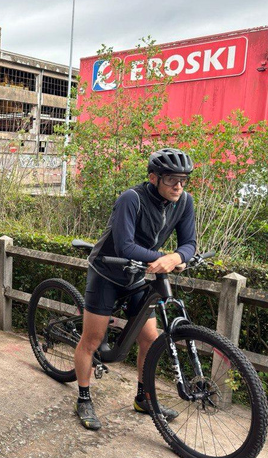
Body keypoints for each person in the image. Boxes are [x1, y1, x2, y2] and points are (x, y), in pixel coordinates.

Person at [73, 148, 197, 430]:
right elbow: (125, 244)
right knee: (92, 340)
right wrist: (160, 257)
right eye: (171, 179)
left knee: (150, 339)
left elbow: (189, 243)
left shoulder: (184, 202)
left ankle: (144, 397)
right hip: (107, 270)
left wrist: (176, 257)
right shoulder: (132, 198)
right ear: (153, 178)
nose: (178, 186)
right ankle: (83, 397)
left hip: (139, 274)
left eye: (184, 180)